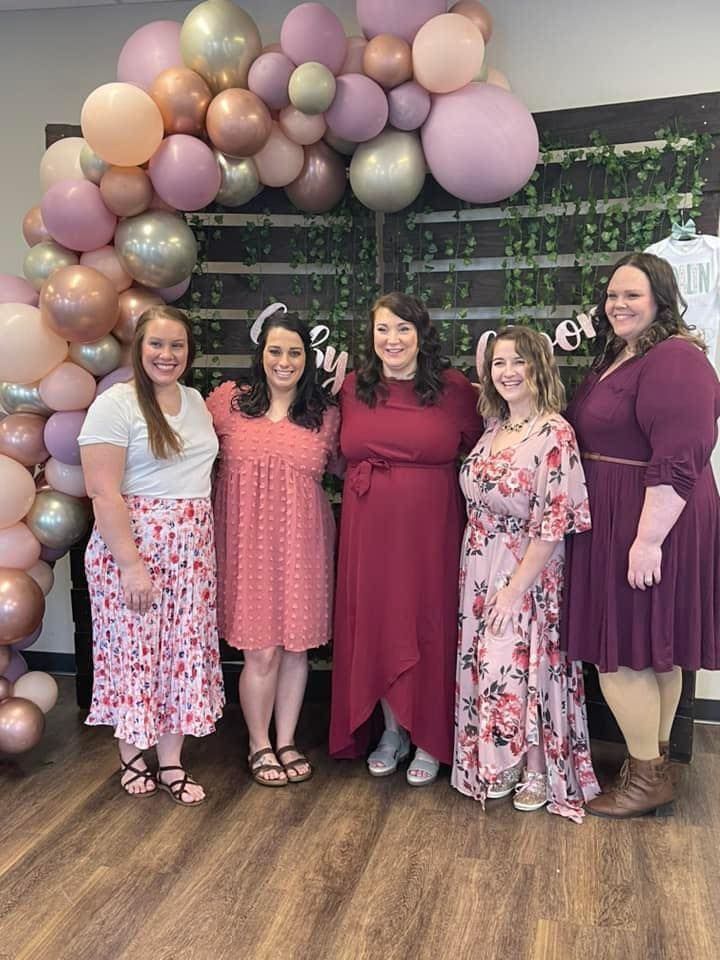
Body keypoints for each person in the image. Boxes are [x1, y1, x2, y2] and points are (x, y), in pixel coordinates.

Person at [564, 252, 720, 818]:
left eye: (632, 294)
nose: (618, 304)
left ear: (660, 299)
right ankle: (651, 763)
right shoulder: (623, 354)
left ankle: (647, 775)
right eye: (612, 295)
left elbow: (681, 456)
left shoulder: (675, 359)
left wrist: (648, 540)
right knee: (652, 648)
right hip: (622, 513)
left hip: (648, 518)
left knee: (624, 650)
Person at [329, 292, 481, 785]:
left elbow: (484, 451)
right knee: (376, 625)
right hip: (368, 530)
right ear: (371, 335)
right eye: (382, 329)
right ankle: (392, 733)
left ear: (421, 334)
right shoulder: (354, 387)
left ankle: (429, 738)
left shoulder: (454, 389)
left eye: (402, 329)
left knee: (426, 624)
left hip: (430, 531)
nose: (392, 339)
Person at [452, 327, 599, 821]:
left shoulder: (555, 433)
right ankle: (504, 761)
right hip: (480, 564)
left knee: (526, 663)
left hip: (526, 569)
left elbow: (554, 524)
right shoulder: (494, 426)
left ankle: (538, 768)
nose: (508, 371)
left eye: (520, 361)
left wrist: (515, 590)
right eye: (499, 363)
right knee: (492, 667)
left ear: (540, 367)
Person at [79, 306, 225, 806]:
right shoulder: (115, 405)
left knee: (181, 656)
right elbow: (102, 492)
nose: (167, 354)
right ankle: (131, 756)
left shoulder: (195, 401)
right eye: (157, 344)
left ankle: (171, 761)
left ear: (189, 351)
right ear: (139, 348)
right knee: (135, 653)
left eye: (177, 345)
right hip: (135, 549)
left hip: (192, 553)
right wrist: (131, 565)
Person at [207, 308, 339, 787]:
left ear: (308, 358)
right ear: (260, 353)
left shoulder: (325, 415)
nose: (285, 361)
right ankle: (258, 743)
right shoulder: (228, 402)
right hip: (245, 545)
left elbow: (352, 467)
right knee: (261, 652)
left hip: (304, 544)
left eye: (295, 353)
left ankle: (286, 740)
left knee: (296, 650)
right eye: (276, 351)